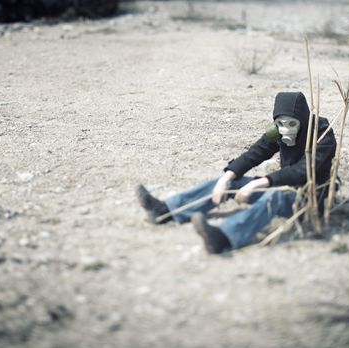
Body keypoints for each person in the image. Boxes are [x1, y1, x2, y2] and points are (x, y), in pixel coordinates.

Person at [136, 92, 337, 254]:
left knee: (273, 196)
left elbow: (304, 170)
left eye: (292, 124)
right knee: (232, 181)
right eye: (281, 123)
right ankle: (166, 210)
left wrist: (259, 183)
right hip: (283, 186)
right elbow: (255, 153)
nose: (285, 129)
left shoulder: (322, 133)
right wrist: (227, 177)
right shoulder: (277, 130)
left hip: (310, 197)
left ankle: (224, 237)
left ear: (302, 120)